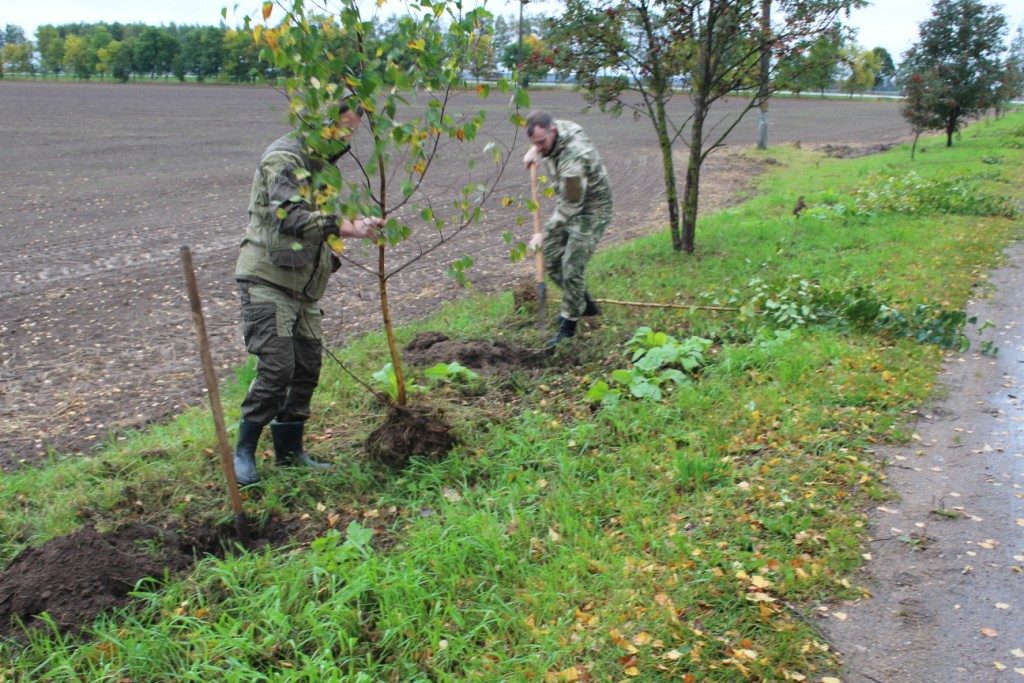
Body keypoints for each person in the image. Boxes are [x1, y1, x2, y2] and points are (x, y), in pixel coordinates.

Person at [232, 102, 382, 486]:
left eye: (353, 131)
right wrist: (349, 226)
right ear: (321, 122)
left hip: (304, 287)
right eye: (343, 128)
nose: (348, 137)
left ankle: (290, 452)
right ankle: (245, 450)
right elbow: (292, 217)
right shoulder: (284, 157)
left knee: (306, 368)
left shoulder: (323, 165)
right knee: (278, 367)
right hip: (268, 279)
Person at [522, 111, 612, 347]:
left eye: (541, 143)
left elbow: (573, 204)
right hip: (570, 205)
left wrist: (544, 233)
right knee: (550, 257)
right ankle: (586, 305)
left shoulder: (575, 156)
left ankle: (568, 325)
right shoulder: (554, 130)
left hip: (592, 209)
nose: (539, 148)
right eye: (534, 143)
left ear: (553, 131)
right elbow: (543, 142)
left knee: (572, 266)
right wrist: (535, 150)